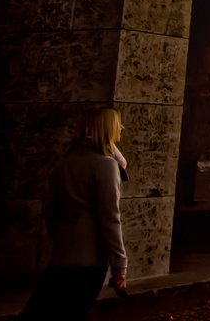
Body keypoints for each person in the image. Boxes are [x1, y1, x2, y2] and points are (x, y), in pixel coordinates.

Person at [19, 108, 129, 319]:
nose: (121, 128)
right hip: (90, 258)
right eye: (118, 123)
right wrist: (119, 266)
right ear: (107, 128)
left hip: (63, 254)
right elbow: (110, 219)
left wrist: (65, 238)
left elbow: (50, 211)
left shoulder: (67, 162)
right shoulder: (105, 165)